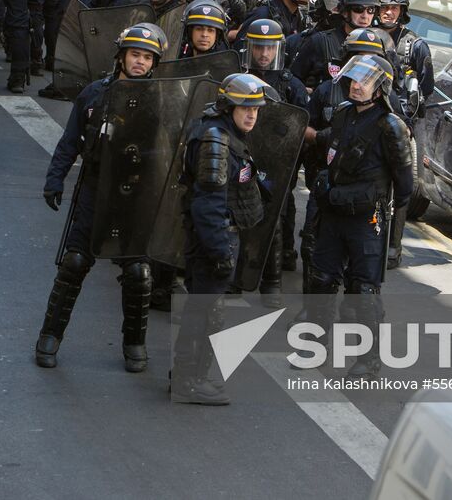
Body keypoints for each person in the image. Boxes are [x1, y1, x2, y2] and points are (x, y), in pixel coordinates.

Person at [35, 23, 169, 372]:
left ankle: (135, 344)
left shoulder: (162, 100)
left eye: (147, 57)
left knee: (139, 272)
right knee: (74, 263)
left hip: (138, 197)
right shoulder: (95, 94)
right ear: (121, 56)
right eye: (135, 54)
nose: (140, 62)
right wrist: (55, 179)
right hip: (96, 190)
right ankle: (50, 336)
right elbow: (69, 141)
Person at [307, 54, 414, 378]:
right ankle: (314, 345)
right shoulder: (343, 114)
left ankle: (368, 359)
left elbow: (405, 184)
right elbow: (328, 148)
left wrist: (383, 215)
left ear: (379, 88)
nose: (356, 86)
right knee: (321, 279)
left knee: (363, 290)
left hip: (366, 220)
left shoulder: (390, 126)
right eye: (354, 80)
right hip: (334, 212)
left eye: (365, 81)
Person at [171, 72, 275, 403]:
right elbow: (208, 204)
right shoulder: (216, 141)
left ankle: (189, 376)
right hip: (214, 241)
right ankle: (188, 382)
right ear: (228, 106)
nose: (251, 115)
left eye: (256, 109)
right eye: (245, 108)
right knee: (204, 313)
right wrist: (219, 251)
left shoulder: (221, 132)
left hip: (219, 239)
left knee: (203, 311)